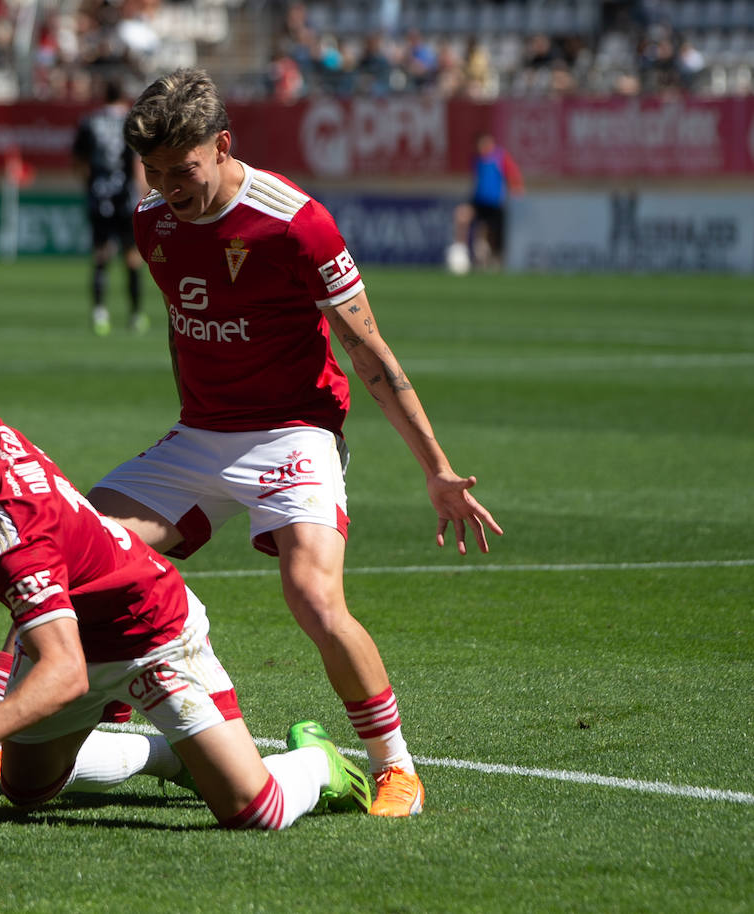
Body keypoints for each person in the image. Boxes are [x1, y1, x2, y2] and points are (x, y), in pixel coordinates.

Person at [79, 68, 503, 817]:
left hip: (295, 433)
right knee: (83, 553)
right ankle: (113, 716)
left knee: (313, 597)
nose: (170, 186)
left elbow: (369, 354)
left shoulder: (294, 221)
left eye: (185, 169)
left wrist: (436, 468)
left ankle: (394, 765)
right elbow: (188, 330)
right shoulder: (152, 221)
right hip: (200, 436)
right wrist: (193, 423)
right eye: (155, 172)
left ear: (223, 145)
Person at [0, 337, 372, 828]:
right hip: (72, 628)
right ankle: (173, 754)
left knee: (255, 814)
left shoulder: (19, 546)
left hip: (150, 632)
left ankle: (318, 762)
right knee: (26, 791)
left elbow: (66, 672)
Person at [72, 78, 146, 336]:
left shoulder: (90, 121)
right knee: (132, 258)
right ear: (124, 97)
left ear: (103, 96)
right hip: (125, 197)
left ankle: (99, 313)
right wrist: (143, 193)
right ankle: (136, 315)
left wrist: (89, 186)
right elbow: (138, 163)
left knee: (101, 255)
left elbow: (79, 160)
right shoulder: (132, 122)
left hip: (99, 196)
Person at [448, 131, 524, 273]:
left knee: (492, 234)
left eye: (486, 143)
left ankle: (494, 260)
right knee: (462, 215)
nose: (483, 147)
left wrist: (516, 187)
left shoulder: (500, 156)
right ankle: (459, 251)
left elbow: (513, 172)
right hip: (478, 201)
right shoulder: (477, 159)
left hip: (494, 203)